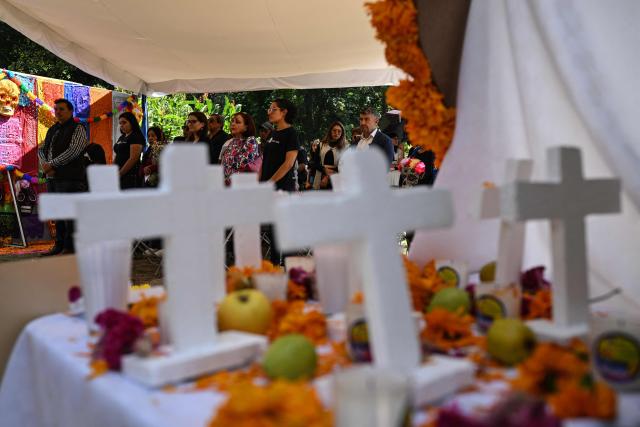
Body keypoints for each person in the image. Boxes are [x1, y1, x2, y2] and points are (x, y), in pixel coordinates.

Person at [38, 98, 88, 255]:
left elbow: (74, 150)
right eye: (56, 109)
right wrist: (46, 166)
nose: (58, 112)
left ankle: (70, 247)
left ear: (71, 111)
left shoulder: (78, 127)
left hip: (70, 178)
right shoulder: (52, 129)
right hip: (52, 177)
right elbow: (41, 149)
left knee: (69, 214)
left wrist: (52, 164)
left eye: (61, 109)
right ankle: (58, 245)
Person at [259, 98, 300, 192]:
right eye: (269, 109)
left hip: (282, 189)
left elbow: (288, 163)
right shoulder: (272, 133)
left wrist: (270, 183)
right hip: (266, 187)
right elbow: (265, 160)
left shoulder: (291, 133)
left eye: (273, 109)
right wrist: (259, 181)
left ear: (284, 112)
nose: (269, 113)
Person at [221, 112, 261, 184]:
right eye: (232, 121)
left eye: (238, 122)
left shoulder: (250, 141)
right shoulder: (232, 142)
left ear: (246, 127)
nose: (233, 124)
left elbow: (243, 166)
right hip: (227, 187)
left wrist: (227, 182)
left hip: (241, 186)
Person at [114, 111, 145, 189]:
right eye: (120, 123)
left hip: (130, 176)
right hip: (119, 174)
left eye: (124, 123)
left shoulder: (135, 136)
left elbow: (133, 158)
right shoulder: (122, 137)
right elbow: (118, 155)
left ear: (132, 122)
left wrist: (120, 173)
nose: (121, 125)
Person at [312, 121, 347, 190]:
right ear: (330, 131)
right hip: (320, 176)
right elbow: (315, 162)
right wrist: (324, 170)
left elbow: (345, 166)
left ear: (342, 134)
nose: (336, 133)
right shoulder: (321, 145)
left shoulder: (346, 147)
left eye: (339, 131)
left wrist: (327, 177)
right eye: (334, 130)